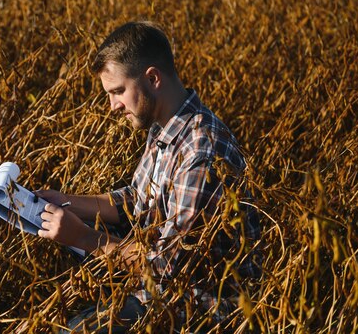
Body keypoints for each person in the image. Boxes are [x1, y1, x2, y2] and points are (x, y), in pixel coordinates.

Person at [35, 21, 262, 333]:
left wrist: (83, 237)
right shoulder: (163, 124)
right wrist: (70, 202)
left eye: (117, 92)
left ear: (153, 78)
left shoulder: (202, 153)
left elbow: (166, 266)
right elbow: (138, 197)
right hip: (157, 292)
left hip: (196, 311)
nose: (113, 106)